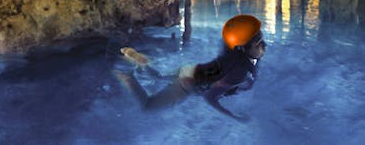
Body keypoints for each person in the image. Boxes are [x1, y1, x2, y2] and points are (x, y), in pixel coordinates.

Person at [113, 14, 266, 122]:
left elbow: (230, 39)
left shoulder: (235, 54)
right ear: (244, 48)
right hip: (188, 83)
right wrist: (234, 117)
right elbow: (210, 97)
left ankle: (140, 61)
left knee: (158, 77)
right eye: (258, 43)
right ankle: (126, 76)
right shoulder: (238, 73)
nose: (264, 46)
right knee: (148, 106)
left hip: (192, 70)